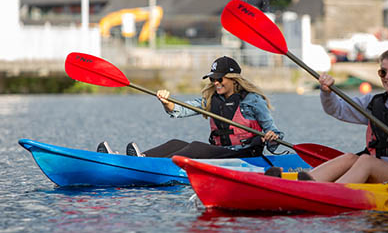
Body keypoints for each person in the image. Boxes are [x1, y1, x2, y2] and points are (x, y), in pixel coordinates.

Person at [267, 45, 388, 183]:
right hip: (377, 169)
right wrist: (326, 92)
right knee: (351, 157)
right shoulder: (374, 102)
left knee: (365, 161)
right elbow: (337, 109)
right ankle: (304, 181)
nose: (387, 77)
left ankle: (328, 191)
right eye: (383, 72)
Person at [97, 56, 283, 158]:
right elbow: (181, 110)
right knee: (175, 143)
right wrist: (167, 102)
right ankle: (137, 160)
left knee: (196, 146)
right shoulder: (211, 99)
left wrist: (272, 137)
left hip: (246, 155)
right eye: (212, 79)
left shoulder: (253, 100)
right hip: (223, 153)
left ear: (234, 79)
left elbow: (274, 133)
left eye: (220, 79)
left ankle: (151, 165)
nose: (216, 82)